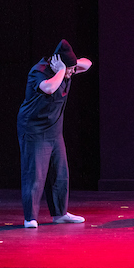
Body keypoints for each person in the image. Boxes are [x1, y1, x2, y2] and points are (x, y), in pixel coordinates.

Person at [17, 40, 92, 228]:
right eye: (69, 70)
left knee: (60, 173)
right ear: (57, 65)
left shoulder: (66, 70)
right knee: (35, 174)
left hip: (54, 130)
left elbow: (88, 64)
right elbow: (49, 88)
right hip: (33, 129)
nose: (71, 73)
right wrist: (60, 70)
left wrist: (70, 65)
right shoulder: (39, 71)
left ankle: (60, 214)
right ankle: (30, 217)